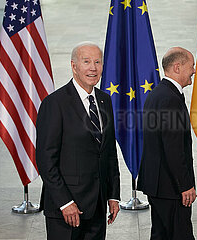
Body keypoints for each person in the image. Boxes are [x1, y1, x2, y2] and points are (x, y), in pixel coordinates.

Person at [36, 42, 120, 240]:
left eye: (98, 62)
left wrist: (113, 195)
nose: (93, 68)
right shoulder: (54, 103)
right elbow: (46, 160)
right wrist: (65, 203)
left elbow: (109, 152)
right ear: (74, 66)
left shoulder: (104, 100)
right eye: (86, 61)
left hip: (97, 208)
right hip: (66, 211)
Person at [137, 47, 197, 240]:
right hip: (170, 188)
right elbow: (173, 149)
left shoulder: (159, 94)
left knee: (161, 235)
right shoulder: (170, 99)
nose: (194, 70)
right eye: (191, 65)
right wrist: (185, 185)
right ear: (177, 67)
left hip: (159, 185)